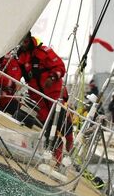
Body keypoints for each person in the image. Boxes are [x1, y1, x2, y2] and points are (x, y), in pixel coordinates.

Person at [7, 32, 73, 161]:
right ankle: (56, 156)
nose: (23, 45)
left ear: (30, 40)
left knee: (63, 125)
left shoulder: (44, 52)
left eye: (25, 42)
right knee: (47, 127)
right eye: (21, 43)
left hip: (54, 95)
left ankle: (70, 152)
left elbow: (60, 66)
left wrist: (52, 77)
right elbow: (16, 73)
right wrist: (12, 84)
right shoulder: (20, 57)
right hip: (39, 98)